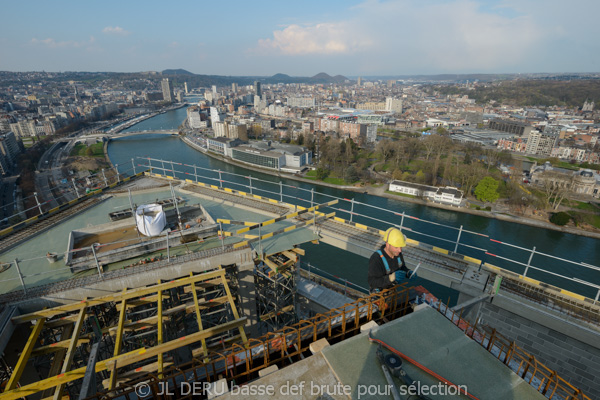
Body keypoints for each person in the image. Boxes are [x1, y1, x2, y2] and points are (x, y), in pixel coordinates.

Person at [368, 227, 415, 293]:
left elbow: (402, 267)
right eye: (396, 247)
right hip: (379, 295)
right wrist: (391, 277)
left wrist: (408, 272)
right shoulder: (376, 259)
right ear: (387, 244)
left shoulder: (397, 254)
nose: (400, 250)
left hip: (392, 291)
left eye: (401, 247)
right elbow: (372, 282)